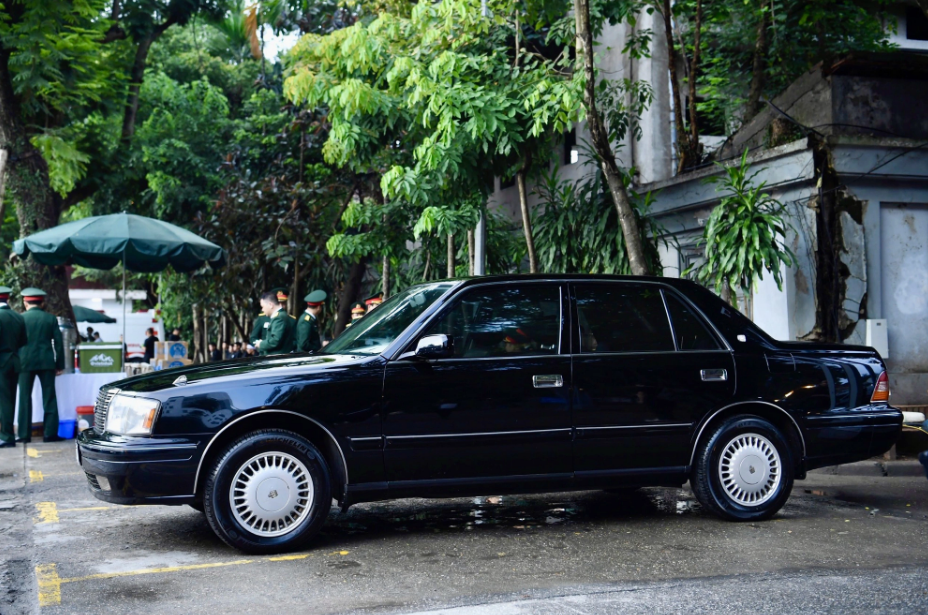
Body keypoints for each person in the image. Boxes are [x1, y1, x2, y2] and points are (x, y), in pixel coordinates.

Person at [16, 288, 64, 443]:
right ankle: (50, 434)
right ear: (42, 303)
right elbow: (58, 343)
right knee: (49, 398)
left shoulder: (20, 318)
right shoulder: (50, 319)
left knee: (24, 398)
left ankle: (24, 435)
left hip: (24, 362)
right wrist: (59, 364)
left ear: (25, 302)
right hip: (46, 362)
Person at [0, 287, 26, 448]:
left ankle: (6, 436)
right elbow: (23, 341)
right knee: (10, 400)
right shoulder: (18, 317)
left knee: (3, 401)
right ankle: (8, 434)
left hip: (1, 362)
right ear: (7, 299)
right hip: (14, 361)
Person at [254, 291, 296, 355]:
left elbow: (275, 341)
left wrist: (261, 344)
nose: (262, 309)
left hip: (278, 359)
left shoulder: (279, 318)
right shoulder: (280, 315)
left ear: (270, 305)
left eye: (263, 306)